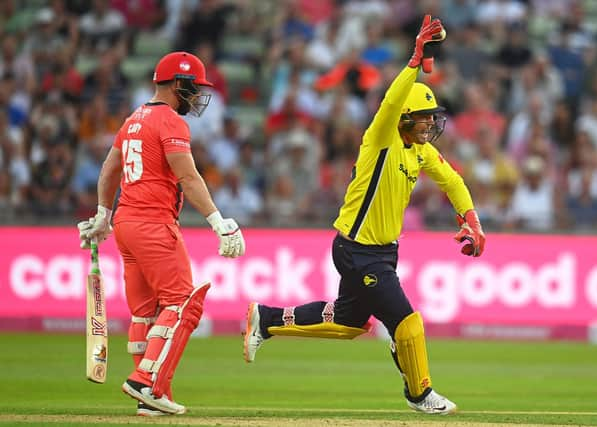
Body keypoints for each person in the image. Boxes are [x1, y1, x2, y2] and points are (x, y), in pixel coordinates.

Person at [243, 15, 485, 415]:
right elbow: (391, 100)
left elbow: (453, 181)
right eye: (423, 120)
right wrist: (414, 61)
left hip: (383, 251)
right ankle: (420, 393)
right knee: (407, 323)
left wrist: (471, 218)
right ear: (405, 119)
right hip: (358, 250)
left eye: (432, 120)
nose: (430, 127)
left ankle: (264, 319)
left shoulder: (419, 150)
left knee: (349, 323)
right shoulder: (382, 137)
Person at [77, 51, 246, 416]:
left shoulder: (134, 118)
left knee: (146, 314)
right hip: (154, 224)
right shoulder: (169, 121)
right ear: (179, 84)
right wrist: (218, 221)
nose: (198, 96)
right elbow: (187, 175)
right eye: (194, 88)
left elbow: (109, 170)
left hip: (126, 224)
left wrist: (104, 215)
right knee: (183, 303)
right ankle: (145, 382)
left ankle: (151, 397)